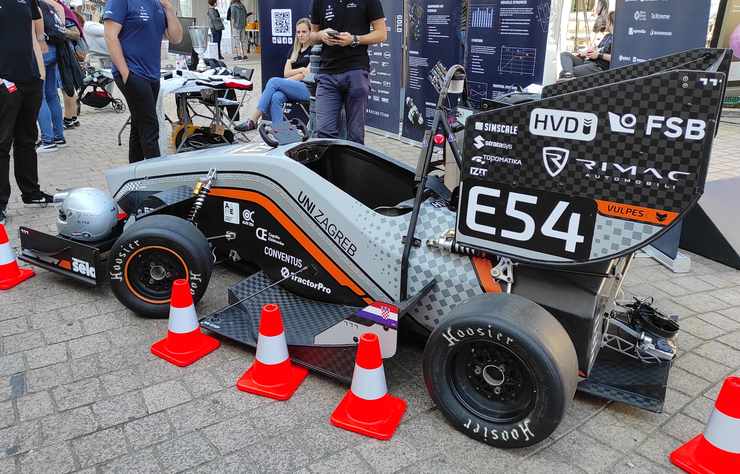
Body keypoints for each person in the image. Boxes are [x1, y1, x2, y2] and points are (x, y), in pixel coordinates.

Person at [103, 0, 183, 163]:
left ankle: (135, 175)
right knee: (150, 128)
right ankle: (156, 179)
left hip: (152, 75)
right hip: (133, 73)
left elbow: (176, 38)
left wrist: (169, 8)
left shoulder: (158, 4)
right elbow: (110, 36)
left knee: (138, 127)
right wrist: (126, 74)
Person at [0, 0, 55, 224]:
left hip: (30, 80)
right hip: (5, 81)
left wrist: (40, 74)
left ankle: (31, 192)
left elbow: (33, 36)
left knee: (27, 139)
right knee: (2, 142)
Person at [309, 0, 387, 144]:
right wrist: (321, 35)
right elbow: (311, 36)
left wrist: (354, 39)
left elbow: (382, 34)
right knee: (324, 133)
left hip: (356, 71)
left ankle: (353, 166)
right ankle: (331, 166)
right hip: (327, 74)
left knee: (355, 136)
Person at [236, 18, 312, 132]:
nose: (301, 35)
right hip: (293, 87)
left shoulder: (314, 49)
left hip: (308, 89)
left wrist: (285, 82)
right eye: (298, 32)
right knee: (276, 97)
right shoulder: (294, 50)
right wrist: (301, 69)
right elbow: (286, 73)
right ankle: (282, 134)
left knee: (274, 82)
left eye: (304, 32)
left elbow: (306, 75)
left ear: (311, 32)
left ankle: (253, 119)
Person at [36, 0, 69, 152]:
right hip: (55, 49)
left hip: (41, 50)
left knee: (40, 96)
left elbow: (36, 24)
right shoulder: (53, 4)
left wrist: (40, 41)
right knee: (52, 94)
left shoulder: (35, 3)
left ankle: (47, 140)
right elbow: (60, 15)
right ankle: (58, 136)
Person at [560, 11, 614, 79]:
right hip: (589, 61)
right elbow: (597, 50)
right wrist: (587, 52)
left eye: (607, 21)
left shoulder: (618, 39)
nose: (605, 23)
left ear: (610, 22)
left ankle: (568, 76)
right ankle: (569, 76)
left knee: (563, 73)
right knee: (564, 54)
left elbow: (615, 58)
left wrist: (599, 55)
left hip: (598, 66)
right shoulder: (607, 36)